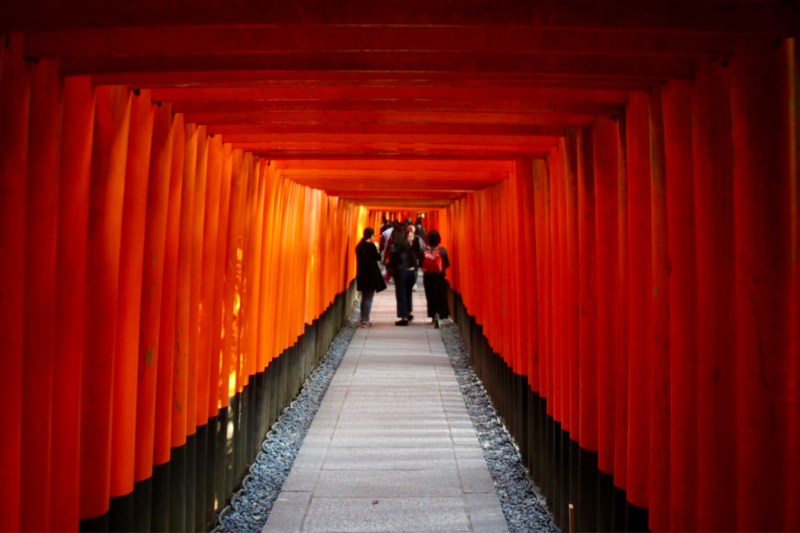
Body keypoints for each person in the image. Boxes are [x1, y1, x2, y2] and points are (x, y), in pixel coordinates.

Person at [355, 227, 386, 327]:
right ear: (372, 235)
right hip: (371, 275)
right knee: (369, 298)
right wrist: (377, 248)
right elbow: (378, 257)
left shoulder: (359, 246)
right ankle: (365, 320)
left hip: (362, 273)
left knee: (364, 297)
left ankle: (361, 318)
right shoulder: (371, 246)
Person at [388, 224, 419, 326]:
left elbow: (392, 259)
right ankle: (408, 312)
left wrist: (392, 270)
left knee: (402, 294)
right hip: (411, 272)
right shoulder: (412, 245)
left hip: (401, 271)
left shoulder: (396, 245)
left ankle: (404, 317)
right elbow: (418, 257)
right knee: (408, 293)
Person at [421, 229, 450, 328]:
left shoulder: (424, 251)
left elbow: (421, 264)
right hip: (439, 276)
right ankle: (440, 313)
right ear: (439, 239)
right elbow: (447, 264)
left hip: (428, 276)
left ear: (428, 240)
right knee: (440, 295)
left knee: (430, 296)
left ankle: (433, 315)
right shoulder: (442, 251)